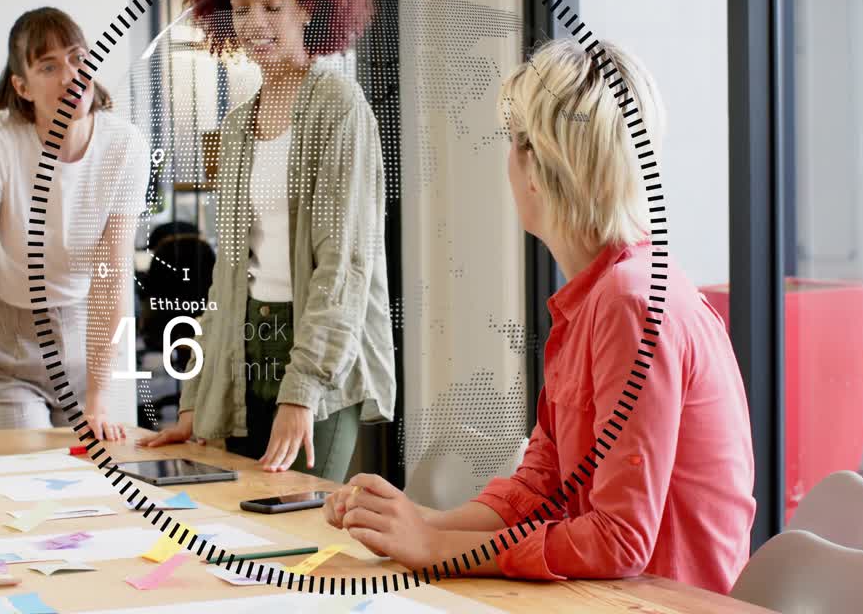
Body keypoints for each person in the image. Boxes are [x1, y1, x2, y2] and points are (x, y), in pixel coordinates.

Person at [323, 38, 757, 595]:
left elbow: (618, 541)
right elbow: (542, 487)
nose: (508, 159)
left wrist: (435, 550)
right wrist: (419, 523)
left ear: (542, 163)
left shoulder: (630, 303)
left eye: (514, 141)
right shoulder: (598, 297)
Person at [139, 0, 395, 483]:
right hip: (244, 344)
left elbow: (344, 266)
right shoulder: (234, 128)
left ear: (310, 7)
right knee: (240, 523)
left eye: (272, 6)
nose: (255, 22)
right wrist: (192, 399)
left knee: (298, 520)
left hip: (319, 349)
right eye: (239, 8)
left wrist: (301, 391)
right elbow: (225, 279)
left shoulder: (339, 109)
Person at [0, 7, 149, 446]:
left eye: (79, 59)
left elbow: (111, 278)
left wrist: (98, 400)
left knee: (93, 485)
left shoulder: (124, 146)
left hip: (86, 341)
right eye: (48, 67)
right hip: (9, 347)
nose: (70, 76)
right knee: (28, 473)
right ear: (21, 87)